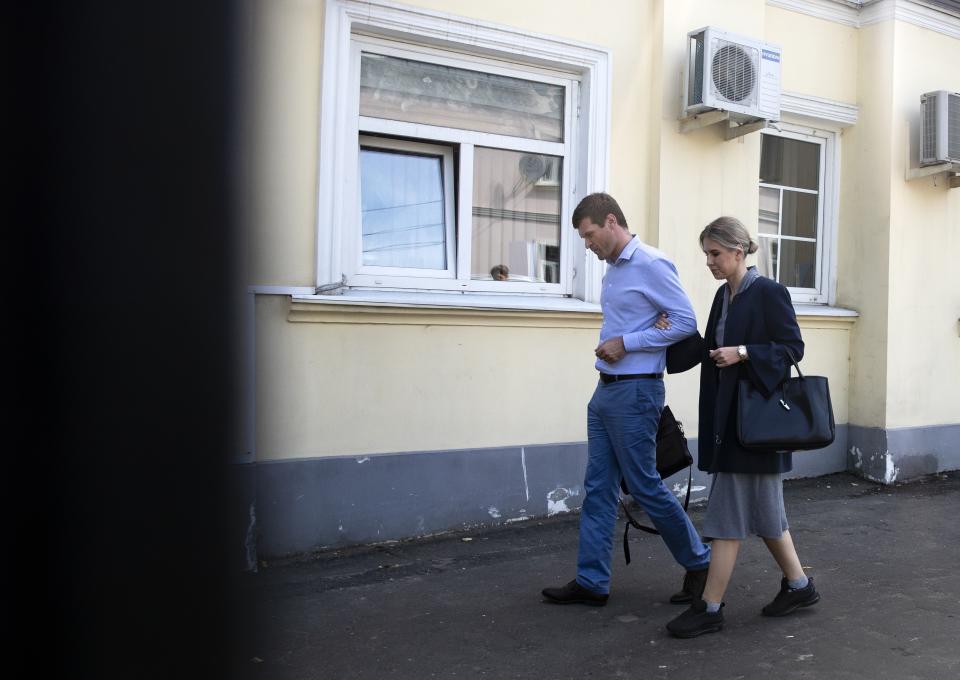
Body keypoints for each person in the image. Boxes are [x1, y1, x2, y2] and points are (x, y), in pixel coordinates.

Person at [541, 192, 711, 608]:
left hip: (636, 390)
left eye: (589, 234)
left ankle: (701, 563)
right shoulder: (613, 270)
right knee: (598, 488)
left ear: (611, 221)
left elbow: (686, 321)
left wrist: (628, 343)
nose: (587, 244)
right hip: (607, 391)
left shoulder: (650, 262)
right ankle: (591, 581)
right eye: (583, 238)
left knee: (643, 485)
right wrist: (630, 339)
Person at [665, 216, 820, 638]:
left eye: (715, 254)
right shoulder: (723, 296)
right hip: (729, 420)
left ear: (738, 251)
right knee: (768, 516)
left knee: (727, 515)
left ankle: (710, 607)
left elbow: (792, 348)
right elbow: (713, 348)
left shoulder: (769, 292)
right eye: (707, 255)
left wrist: (745, 353)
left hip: (755, 425)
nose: (710, 262)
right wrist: (666, 332)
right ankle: (800, 586)